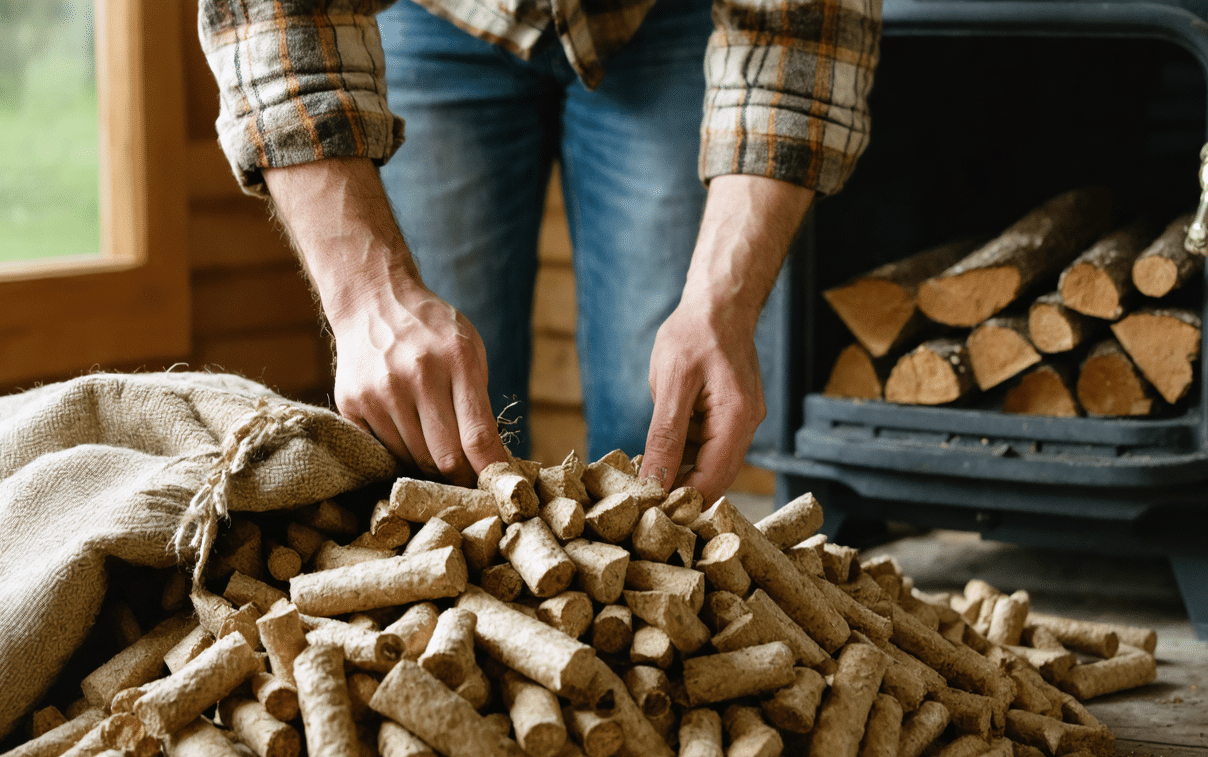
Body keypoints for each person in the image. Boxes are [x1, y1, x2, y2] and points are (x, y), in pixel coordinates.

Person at [198, 0, 879, 502]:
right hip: (431, 16)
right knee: (433, 421)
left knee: (661, 412)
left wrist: (723, 304)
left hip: (670, 19)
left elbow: (806, 23)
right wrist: (364, 293)